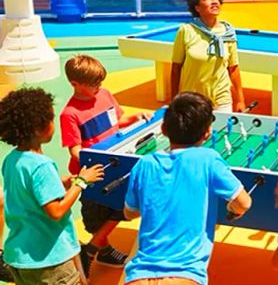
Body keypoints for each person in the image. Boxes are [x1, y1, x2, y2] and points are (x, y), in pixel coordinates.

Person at [123, 92, 252, 285]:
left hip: (139, 276)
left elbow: (129, 213)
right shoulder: (208, 159)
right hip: (186, 275)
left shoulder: (144, 164)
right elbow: (244, 202)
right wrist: (233, 210)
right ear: (207, 133)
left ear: (164, 129)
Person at [0, 88, 104, 285]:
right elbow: (55, 211)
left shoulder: (12, 160)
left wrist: (59, 185)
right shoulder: (42, 165)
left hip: (20, 257)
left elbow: (27, 196)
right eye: (50, 119)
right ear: (39, 129)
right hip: (48, 261)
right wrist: (81, 182)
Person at [60, 54, 148, 275]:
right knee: (94, 219)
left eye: (100, 82)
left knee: (125, 206)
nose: (99, 87)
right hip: (95, 173)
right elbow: (75, 150)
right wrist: (95, 163)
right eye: (93, 84)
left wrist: (137, 117)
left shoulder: (105, 95)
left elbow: (117, 123)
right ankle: (103, 249)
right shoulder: (70, 114)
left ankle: (91, 249)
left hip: (118, 163)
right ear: (74, 84)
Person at [171, 0, 245, 112]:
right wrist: (174, 100)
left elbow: (233, 69)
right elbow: (176, 68)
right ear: (197, 7)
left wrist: (240, 100)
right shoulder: (186, 30)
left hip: (221, 99)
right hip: (192, 100)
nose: (214, 1)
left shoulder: (228, 33)